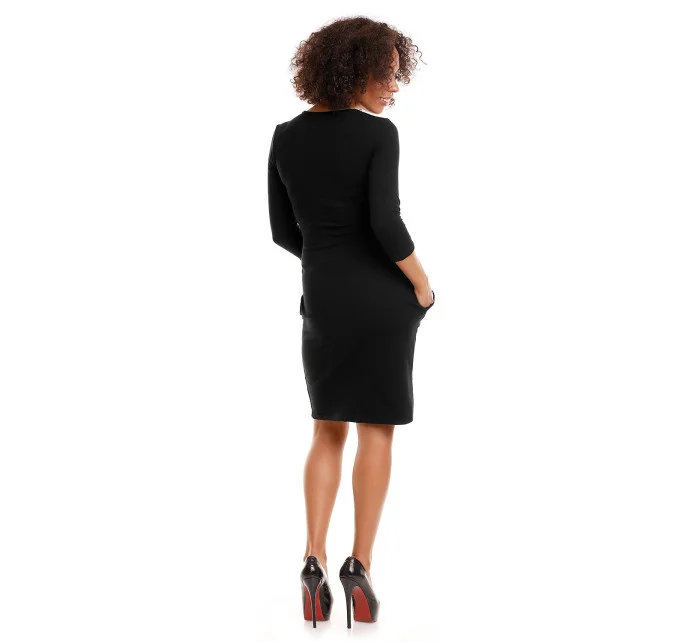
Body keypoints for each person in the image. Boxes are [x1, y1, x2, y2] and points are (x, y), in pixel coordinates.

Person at [267, 16, 434, 628]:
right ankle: (359, 566)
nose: (394, 86)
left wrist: (328, 262)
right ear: (354, 69)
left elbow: (283, 232)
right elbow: (386, 224)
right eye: (386, 74)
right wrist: (422, 285)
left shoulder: (285, 137)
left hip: (324, 301)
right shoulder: (378, 135)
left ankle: (312, 560)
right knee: (377, 431)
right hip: (383, 302)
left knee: (326, 428)